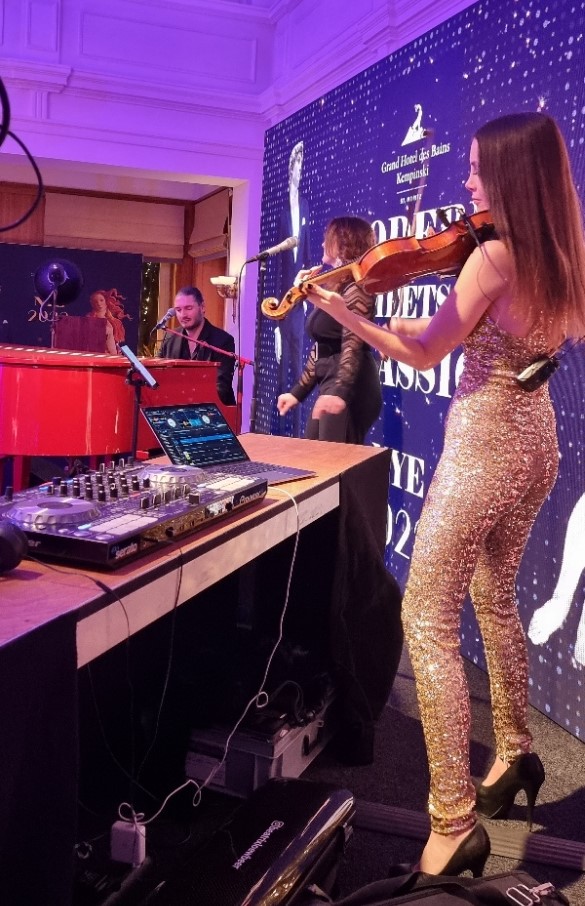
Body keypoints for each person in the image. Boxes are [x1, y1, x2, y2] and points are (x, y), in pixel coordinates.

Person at [302, 112, 585, 875]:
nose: (465, 182)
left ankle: (452, 822)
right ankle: (516, 751)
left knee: (424, 618)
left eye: (476, 170)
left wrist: (341, 310)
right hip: (536, 443)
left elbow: (426, 352)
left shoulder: (492, 257)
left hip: (484, 447)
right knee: (493, 598)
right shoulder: (561, 250)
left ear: (510, 176)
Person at [277, 215, 382, 444]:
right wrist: (297, 393)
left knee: (333, 463)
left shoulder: (357, 288)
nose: (323, 243)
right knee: (315, 456)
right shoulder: (336, 287)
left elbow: (353, 344)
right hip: (332, 383)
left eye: (328, 238)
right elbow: (322, 348)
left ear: (343, 242)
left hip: (351, 385)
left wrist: (341, 393)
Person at [274, 140, 312, 436]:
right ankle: (279, 428)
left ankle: (297, 432)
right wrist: (275, 318)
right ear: (289, 170)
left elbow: (307, 253)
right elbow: (276, 265)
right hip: (280, 304)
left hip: (300, 302)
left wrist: (308, 293)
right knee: (281, 368)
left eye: (301, 167)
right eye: (295, 166)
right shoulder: (281, 209)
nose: (299, 171)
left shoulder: (306, 205)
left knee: (299, 369)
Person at [158, 286, 236, 406]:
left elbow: (221, 388)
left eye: (188, 308)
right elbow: (159, 376)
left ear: (202, 307)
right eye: (178, 310)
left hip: (212, 409)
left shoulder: (223, 341)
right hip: (174, 407)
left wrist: (187, 400)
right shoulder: (170, 338)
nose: (183, 315)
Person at [86, 290, 118, 355]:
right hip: (98, 354)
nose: (99, 303)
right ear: (93, 304)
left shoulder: (113, 319)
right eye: (96, 301)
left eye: (101, 300)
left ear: (106, 301)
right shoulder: (89, 319)